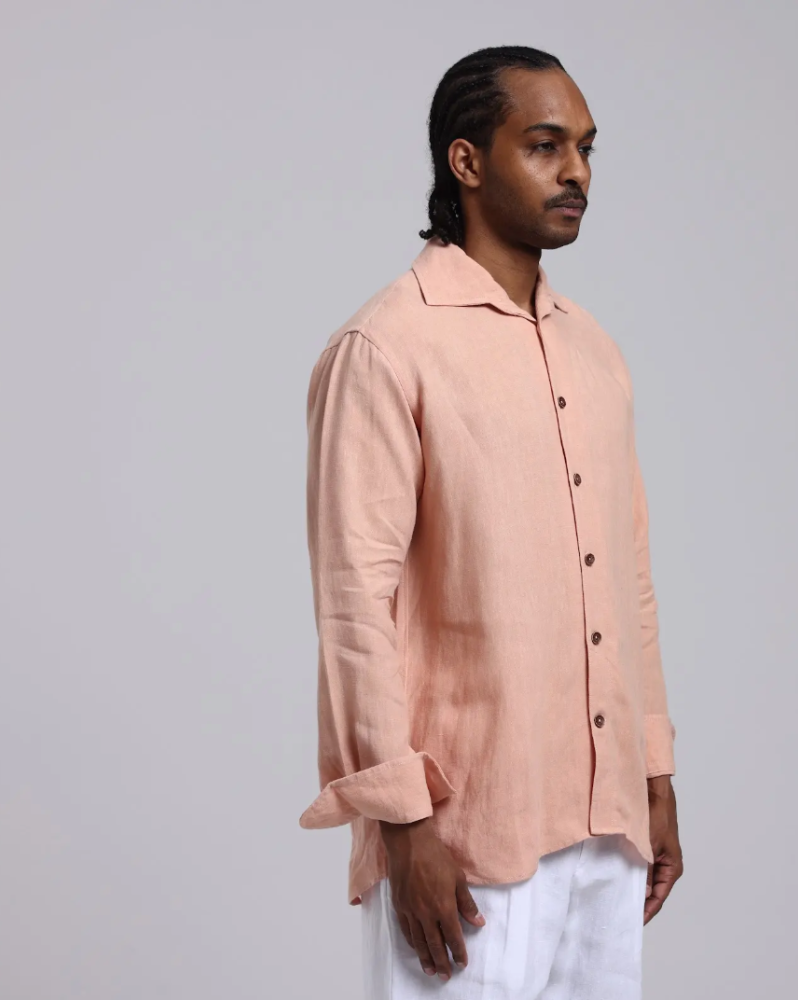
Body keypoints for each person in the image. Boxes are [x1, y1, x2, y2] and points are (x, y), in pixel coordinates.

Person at [298, 44, 683, 998]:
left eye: (586, 148)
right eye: (545, 146)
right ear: (466, 162)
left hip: (607, 831)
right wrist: (403, 824)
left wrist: (654, 773)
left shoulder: (595, 352)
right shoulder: (387, 347)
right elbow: (355, 607)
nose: (577, 172)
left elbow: (627, 578)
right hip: (465, 835)